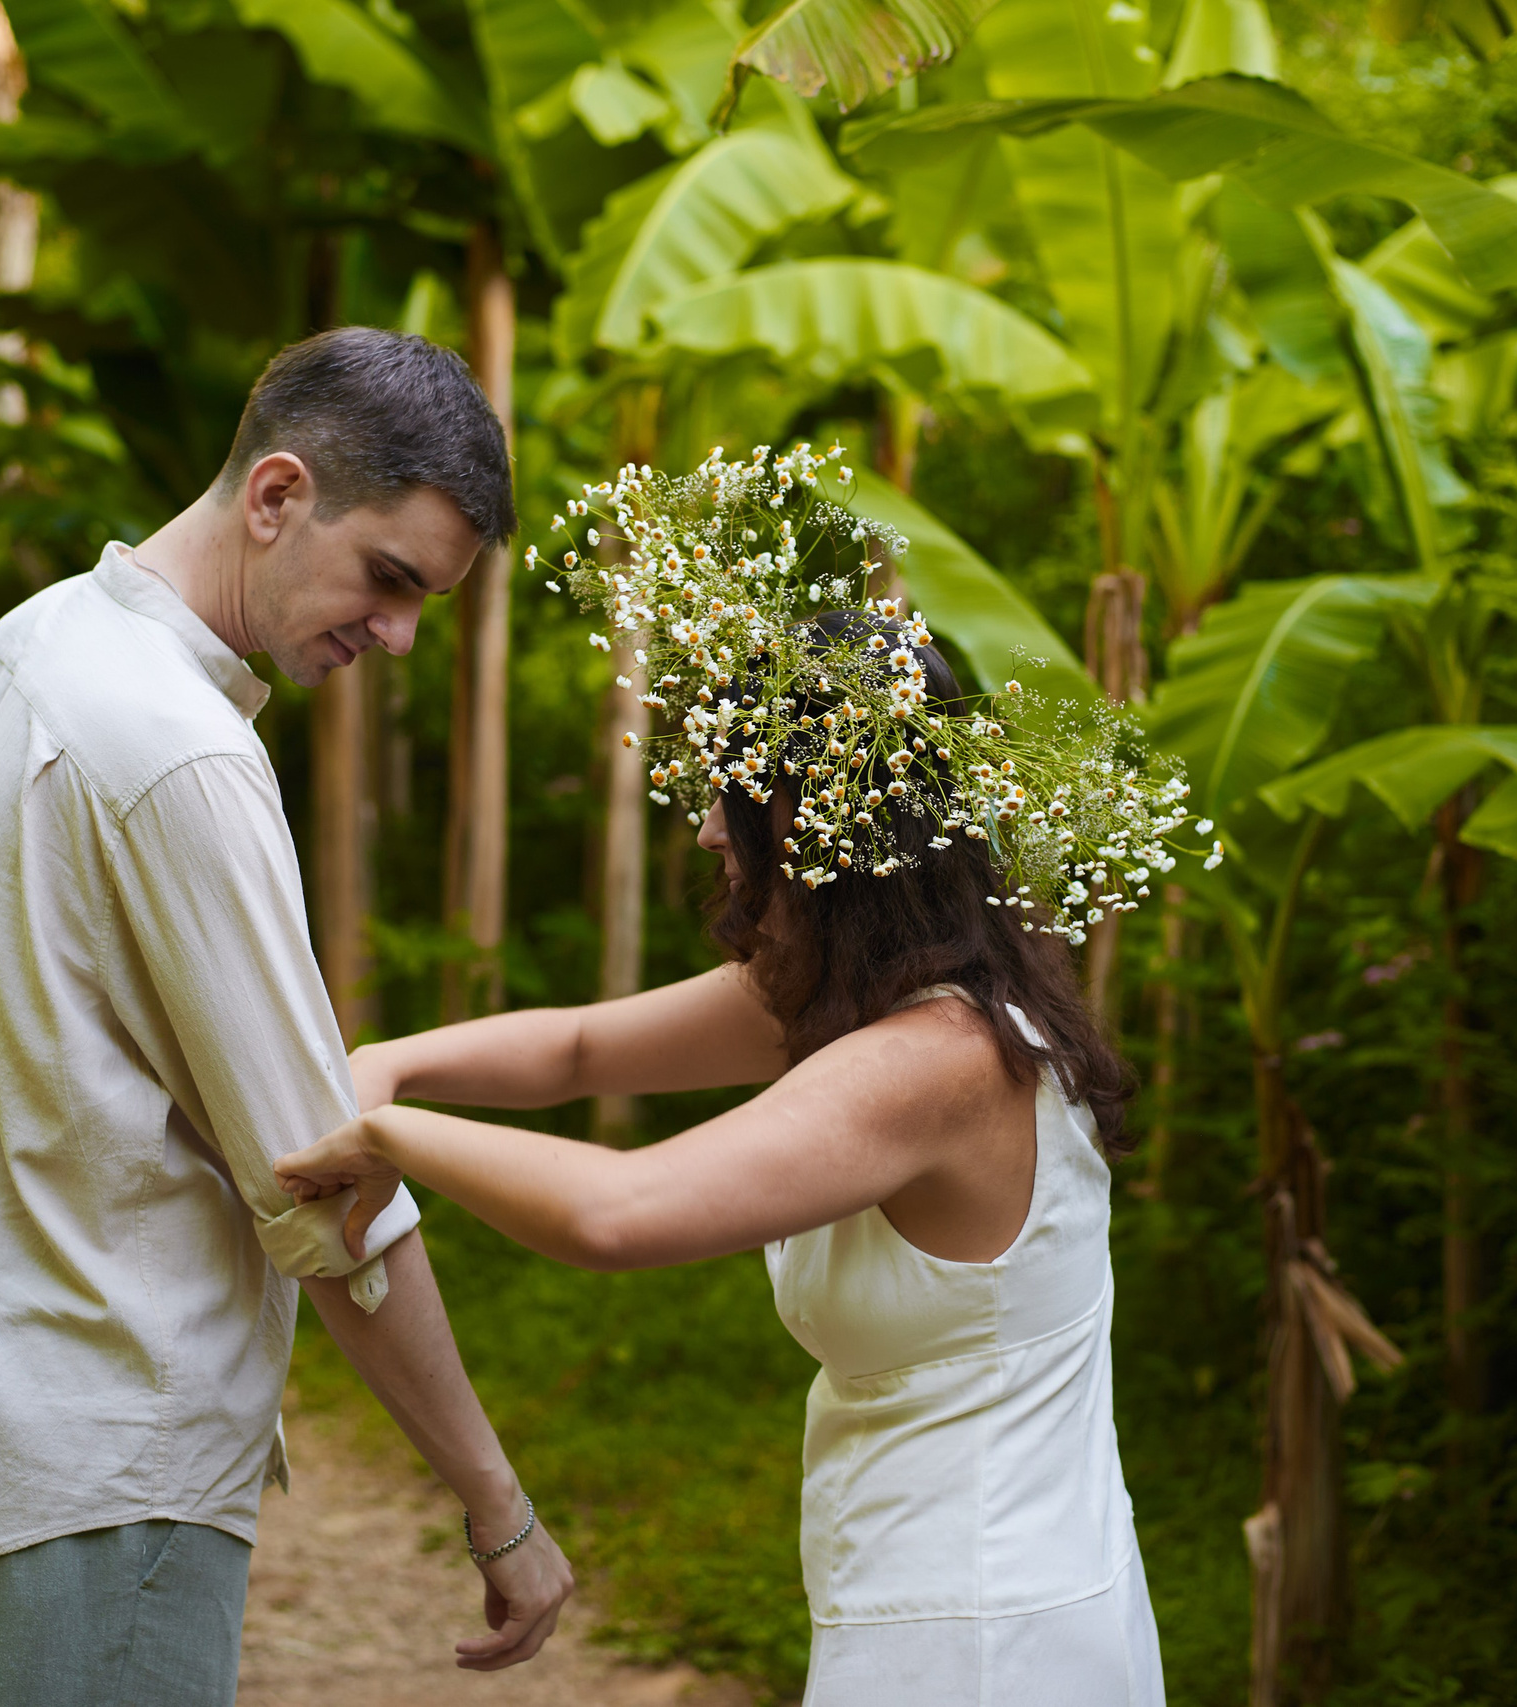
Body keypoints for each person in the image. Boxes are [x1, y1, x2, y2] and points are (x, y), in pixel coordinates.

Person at [277, 457, 1176, 1704]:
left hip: (978, 1634)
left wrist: (390, 1133)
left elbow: (618, 1213)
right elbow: (584, 1051)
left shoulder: (938, 1063)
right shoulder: (884, 996)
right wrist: (394, 1058)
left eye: (731, 791)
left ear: (813, 827)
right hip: (945, 1590)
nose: (703, 825)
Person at [0, 327, 573, 1707]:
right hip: (104, 1440)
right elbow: (324, 1187)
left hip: (5, 1400)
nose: (400, 634)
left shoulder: (36, 639)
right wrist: (498, 1503)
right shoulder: (180, 749)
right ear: (277, 494)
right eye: (389, 578)